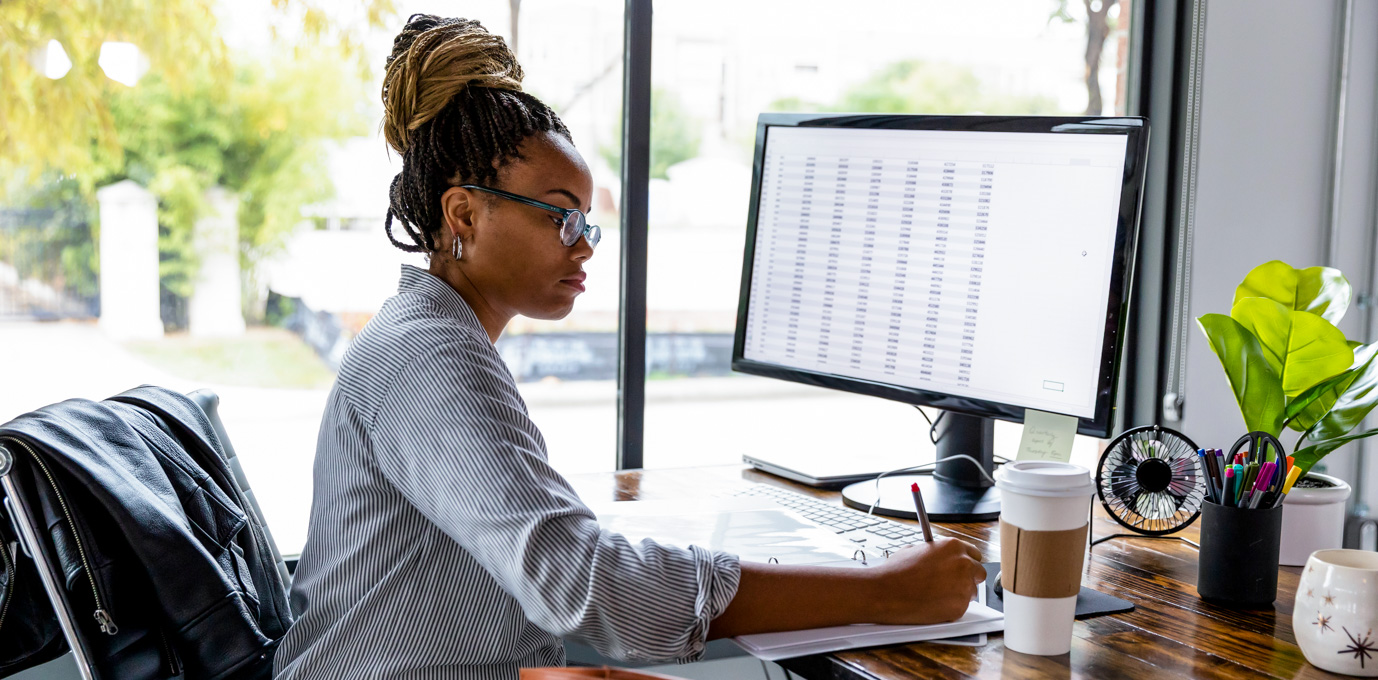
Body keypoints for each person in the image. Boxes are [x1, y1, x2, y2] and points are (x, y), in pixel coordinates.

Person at [272, 14, 986, 680]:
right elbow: (585, 584)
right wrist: (886, 592)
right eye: (559, 215)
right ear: (463, 213)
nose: (584, 245)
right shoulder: (428, 356)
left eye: (586, 221)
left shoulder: (433, 338)